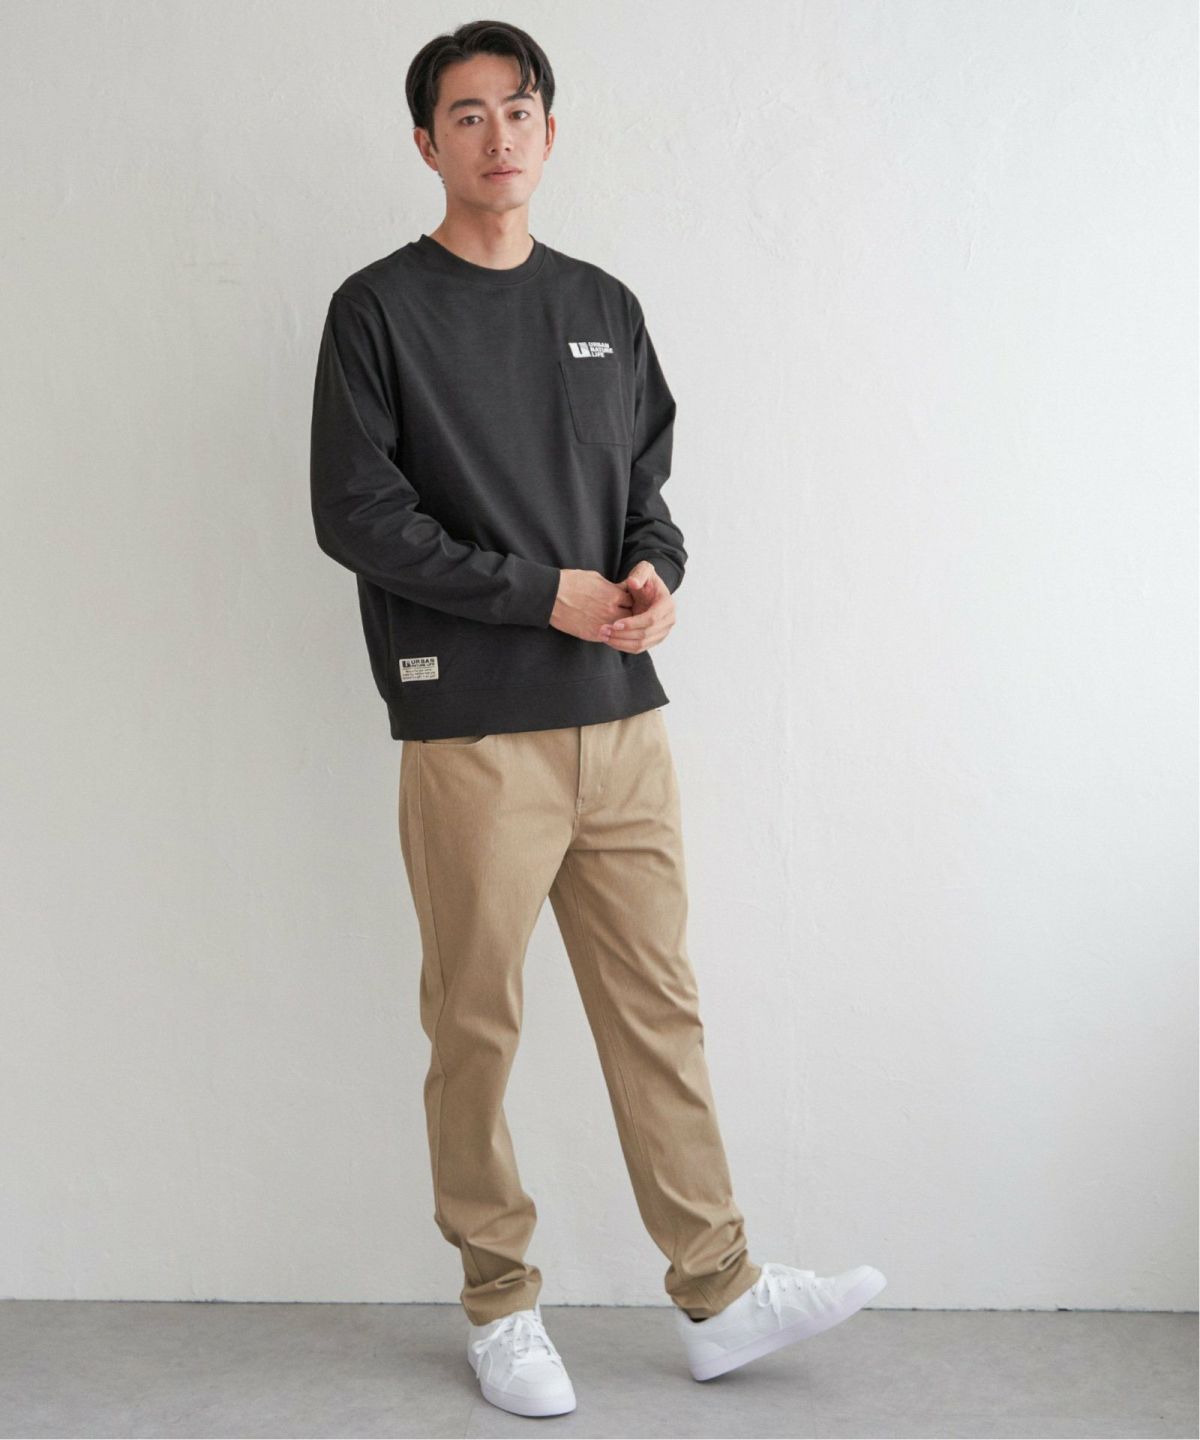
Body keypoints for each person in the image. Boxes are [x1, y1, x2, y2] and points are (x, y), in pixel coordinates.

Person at [309, 17, 886, 1420]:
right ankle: (500, 1303)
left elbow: (647, 495)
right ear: (426, 143)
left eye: (519, 109)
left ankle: (719, 1291)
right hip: (473, 732)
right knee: (477, 1024)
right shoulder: (378, 311)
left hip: (622, 723)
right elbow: (357, 515)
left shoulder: (604, 305)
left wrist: (654, 578)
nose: (497, 134)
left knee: (658, 1009)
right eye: (466, 114)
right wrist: (541, 595)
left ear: (550, 131)